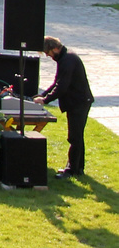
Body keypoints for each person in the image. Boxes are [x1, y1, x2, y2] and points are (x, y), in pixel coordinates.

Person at [36, 36, 94, 178]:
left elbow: (62, 86)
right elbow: (57, 82)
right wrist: (41, 95)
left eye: (48, 52)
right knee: (77, 136)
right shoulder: (65, 59)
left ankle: (71, 170)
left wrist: (45, 100)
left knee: (74, 137)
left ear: (55, 48)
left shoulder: (68, 60)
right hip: (78, 101)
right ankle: (78, 168)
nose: (48, 55)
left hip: (79, 102)